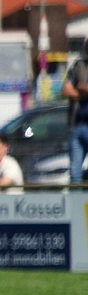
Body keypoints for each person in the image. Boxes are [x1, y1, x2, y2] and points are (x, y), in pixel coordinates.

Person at [62, 38, 88, 185]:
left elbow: (80, 87)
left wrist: (81, 88)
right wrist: (82, 91)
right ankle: (76, 198)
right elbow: (65, 90)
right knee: (74, 172)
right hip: (77, 125)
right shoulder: (79, 66)